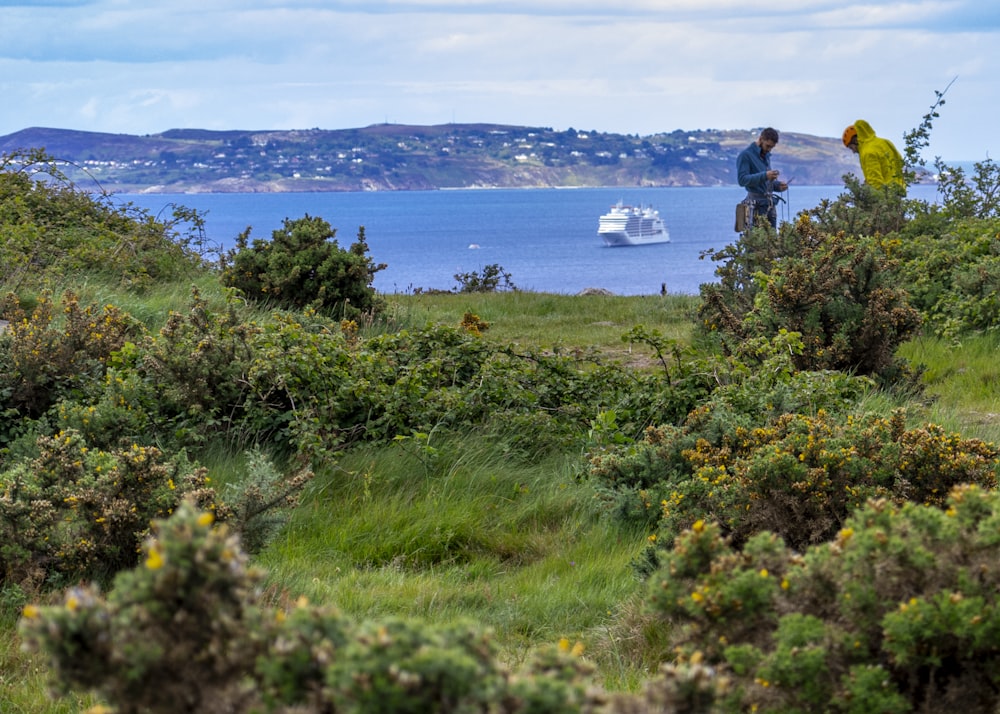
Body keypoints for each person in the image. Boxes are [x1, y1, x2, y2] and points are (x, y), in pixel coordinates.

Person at [737, 127, 788, 228]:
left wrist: (778, 186)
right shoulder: (745, 155)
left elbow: (765, 183)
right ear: (760, 139)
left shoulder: (766, 156)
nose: (769, 150)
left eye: (771, 147)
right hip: (754, 206)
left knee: (772, 241)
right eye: (767, 146)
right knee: (755, 241)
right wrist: (765, 175)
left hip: (769, 206)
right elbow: (742, 180)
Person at [842, 120, 905, 190]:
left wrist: (873, 195)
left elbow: (875, 181)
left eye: (851, 147)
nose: (853, 151)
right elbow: (900, 162)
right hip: (898, 189)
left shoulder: (868, 152)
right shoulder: (885, 142)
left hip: (885, 195)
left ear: (856, 141)